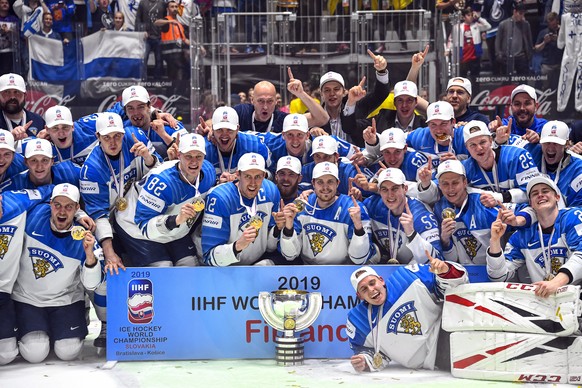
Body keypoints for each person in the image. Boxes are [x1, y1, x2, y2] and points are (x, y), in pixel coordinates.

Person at [11, 184, 104, 363]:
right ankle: (44, 329)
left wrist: (89, 255)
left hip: (65, 300)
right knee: (34, 354)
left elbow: (92, 285)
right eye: (58, 205)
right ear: (50, 204)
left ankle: (68, 324)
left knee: (68, 352)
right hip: (27, 299)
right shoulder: (32, 216)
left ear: (77, 208)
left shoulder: (84, 237)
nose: (62, 211)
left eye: (69, 207)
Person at [346, 260, 468, 372]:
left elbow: (455, 288)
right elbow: (369, 352)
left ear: (381, 280)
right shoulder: (358, 321)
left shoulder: (407, 277)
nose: (371, 289)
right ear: (360, 296)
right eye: (364, 289)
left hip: (446, 333)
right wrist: (364, 361)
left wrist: (445, 271)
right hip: (436, 360)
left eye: (372, 283)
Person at [114, 133, 216, 266]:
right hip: (135, 225)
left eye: (199, 156)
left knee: (189, 266)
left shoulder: (209, 172)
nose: (194, 162)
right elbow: (144, 225)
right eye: (188, 156)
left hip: (175, 226)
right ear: (179, 155)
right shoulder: (162, 182)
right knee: (163, 268)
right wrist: (176, 220)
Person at [79, 112, 160, 273]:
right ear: (98, 136)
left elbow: (160, 178)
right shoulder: (91, 170)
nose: (113, 142)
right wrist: (109, 252)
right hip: (110, 224)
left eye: (117, 136)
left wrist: (148, 158)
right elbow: (98, 215)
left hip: (139, 214)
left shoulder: (136, 138)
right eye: (107, 137)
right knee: (114, 269)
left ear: (123, 133)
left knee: (160, 264)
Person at [487, 175, 582, 297]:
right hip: (541, 303)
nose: (540, 195)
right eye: (535, 193)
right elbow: (499, 277)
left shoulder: (572, 217)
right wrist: (494, 241)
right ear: (530, 203)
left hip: (576, 300)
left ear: (557, 197)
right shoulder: (521, 237)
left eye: (545, 191)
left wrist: (556, 283)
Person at [420, 159, 522, 264]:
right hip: (465, 272)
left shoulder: (484, 201)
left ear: (465, 182)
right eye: (445, 184)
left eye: (455, 182)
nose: (450, 189)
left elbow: (526, 210)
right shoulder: (440, 208)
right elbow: (452, 260)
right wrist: (445, 240)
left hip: (496, 269)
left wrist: (516, 221)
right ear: (439, 186)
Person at [281, 161, 376, 264]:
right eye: (320, 182)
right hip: (307, 272)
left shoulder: (354, 208)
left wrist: (358, 228)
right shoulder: (302, 205)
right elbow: (289, 255)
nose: (325, 187)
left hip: (342, 272)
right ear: (313, 183)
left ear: (337, 183)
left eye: (330, 181)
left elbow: (359, 259)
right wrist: (288, 226)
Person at [201, 152, 282, 266]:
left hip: (255, 262)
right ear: (238, 174)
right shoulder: (220, 198)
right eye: (248, 176)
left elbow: (269, 247)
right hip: (223, 268)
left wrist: (278, 229)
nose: (253, 183)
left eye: (258, 177)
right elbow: (209, 257)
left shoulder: (271, 191)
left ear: (264, 175)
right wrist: (237, 246)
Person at [0, 187, 52, 365]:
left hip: (3, 293)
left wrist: (79, 214)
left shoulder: (15, 201)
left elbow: (51, 191)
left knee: (5, 355)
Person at [363, 168, 443, 265]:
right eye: (385, 189)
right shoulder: (372, 205)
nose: (390, 195)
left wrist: (412, 234)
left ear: (405, 189)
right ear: (379, 191)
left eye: (394, 188)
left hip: (415, 269)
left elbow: (437, 259)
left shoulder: (421, 215)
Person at [318, 52, 390, 147]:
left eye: (336, 89)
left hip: (357, 159)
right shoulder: (314, 115)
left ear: (344, 92)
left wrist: (381, 71)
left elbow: (380, 94)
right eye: (327, 90)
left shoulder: (356, 105)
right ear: (321, 94)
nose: (332, 94)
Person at [461, 120, 539, 205]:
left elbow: (534, 192)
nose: (479, 148)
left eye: (482, 142)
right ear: (466, 147)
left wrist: (499, 197)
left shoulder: (517, 156)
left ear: (491, 140)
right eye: (472, 145)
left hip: (520, 212)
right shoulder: (464, 169)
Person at [231, 70, 329, 133]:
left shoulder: (282, 120)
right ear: (252, 100)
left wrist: (301, 94)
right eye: (261, 101)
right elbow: (216, 122)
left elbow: (322, 119)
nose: (265, 107)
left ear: (276, 102)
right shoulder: (241, 113)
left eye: (269, 101)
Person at [203, 106, 270, 183]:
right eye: (219, 130)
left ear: (237, 129)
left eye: (229, 130)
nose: (224, 135)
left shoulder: (254, 145)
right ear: (212, 129)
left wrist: (252, 176)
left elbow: (272, 173)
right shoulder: (203, 149)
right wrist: (216, 183)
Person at [529, 121, 582, 208]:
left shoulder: (578, 168)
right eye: (547, 142)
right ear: (540, 142)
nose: (550, 148)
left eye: (556, 144)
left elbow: (578, 209)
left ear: (566, 144)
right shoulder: (531, 154)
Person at [122, 85, 183, 159]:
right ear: (125, 111)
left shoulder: (169, 125)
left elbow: (192, 154)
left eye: (141, 107)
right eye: (130, 108)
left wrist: (164, 135)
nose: (136, 113)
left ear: (149, 106)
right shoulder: (121, 131)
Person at [406, 101, 469, 169]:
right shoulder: (420, 136)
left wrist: (460, 165)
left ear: (453, 122)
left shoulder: (466, 136)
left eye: (443, 124)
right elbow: (396, 138)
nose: (438, 130)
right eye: (433, 124)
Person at [2, 138, 80, 190]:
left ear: (52, 161)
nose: (39, 166)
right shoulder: (14, 185)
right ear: (26, 162)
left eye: (45, 160)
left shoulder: (70, 171)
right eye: (34, 160)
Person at [450, 8, 491, 83]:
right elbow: (452, 39)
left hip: (474, 57)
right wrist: (449, 50)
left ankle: (475, 93)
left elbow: (488, 26)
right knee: (462, 79)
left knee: (475, 79)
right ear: (464, 17)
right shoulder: (457, 27)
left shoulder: (476, 26)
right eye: (468, 15)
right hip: (463, 57)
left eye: (472, 15)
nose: (471, 17)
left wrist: (478, 18)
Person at [0, 73, 45, 139]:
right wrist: (9, 138)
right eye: (7, 92)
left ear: (25, 95)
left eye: (17, 92)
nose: (12, 97)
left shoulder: (38, 121)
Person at [495, 1, 533, 76]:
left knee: (523, 81)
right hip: (507, 57)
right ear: (514, 12)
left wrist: (529, 53)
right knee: (507, 82)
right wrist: (499, 54)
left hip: (521, 57)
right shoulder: (503, 24)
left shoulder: (526, 24)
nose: (522, 16)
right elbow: (498, 41)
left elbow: (529, 40)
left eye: (523, 14)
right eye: (520, 13)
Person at [155, 0, 189, 80]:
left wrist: (198, 46)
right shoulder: (166, 20)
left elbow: (184, 39)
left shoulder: (179, 24)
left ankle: (179, 91)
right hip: (169, 55)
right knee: (175, 75)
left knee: (182, 73)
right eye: (172, 7)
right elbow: (156, 22)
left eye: (176, 7)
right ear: (168, 9)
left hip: (179, 54)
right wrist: (170, 21)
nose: (174, 9)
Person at [135, 0, 165, 79]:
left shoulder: (162, 3)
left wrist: (164, 32)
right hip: (146, 37)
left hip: (159, 36)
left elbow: (166, 19)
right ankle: (143, 80)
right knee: (143, 59)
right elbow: (138, 19)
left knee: (159, 60)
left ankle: (158, 81)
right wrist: (141, 32)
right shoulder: (143, 3)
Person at [534, 12, 562, 91]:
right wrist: (544, 42)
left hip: (561, 62)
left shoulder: (563, 31)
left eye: (554, 25)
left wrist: (559, 40)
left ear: (557, 22)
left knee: (561, 85)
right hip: (547, 64)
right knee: (545, 86)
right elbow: (536, 48)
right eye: (550, 25)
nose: (552, 26)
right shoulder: (543, 32)